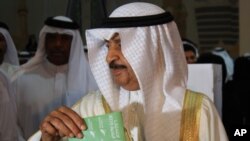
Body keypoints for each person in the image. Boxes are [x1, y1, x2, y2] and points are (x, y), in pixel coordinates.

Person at [31, 2, 228, 141]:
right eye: (108, 46)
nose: (110, 57)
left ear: (155, 47)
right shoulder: (91, 108)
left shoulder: (197, 110)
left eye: (121, 45)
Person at [12, 16, 98, 139]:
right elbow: (12, 125)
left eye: (65, 38)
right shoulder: (22, 80)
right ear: (44, 40)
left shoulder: (92, 79)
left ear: (74, 43)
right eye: (52, 37)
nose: (58, 44)